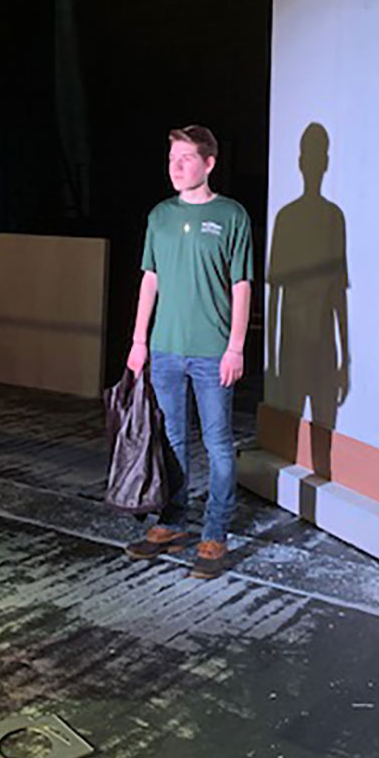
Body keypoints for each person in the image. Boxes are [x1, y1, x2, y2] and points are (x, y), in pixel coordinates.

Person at [125, 125, 253, 579]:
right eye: (171, 158)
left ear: (209, 163)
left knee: (218, 444)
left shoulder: (232, 215)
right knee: (171, 440)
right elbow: (150, 279)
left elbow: (242, 285)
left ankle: (214, 533)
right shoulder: (159, 216)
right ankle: (173, 522)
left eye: (185, 158)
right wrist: (139, 341)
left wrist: (235, 347)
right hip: (164, 350)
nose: (175, 167)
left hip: (212, 351)